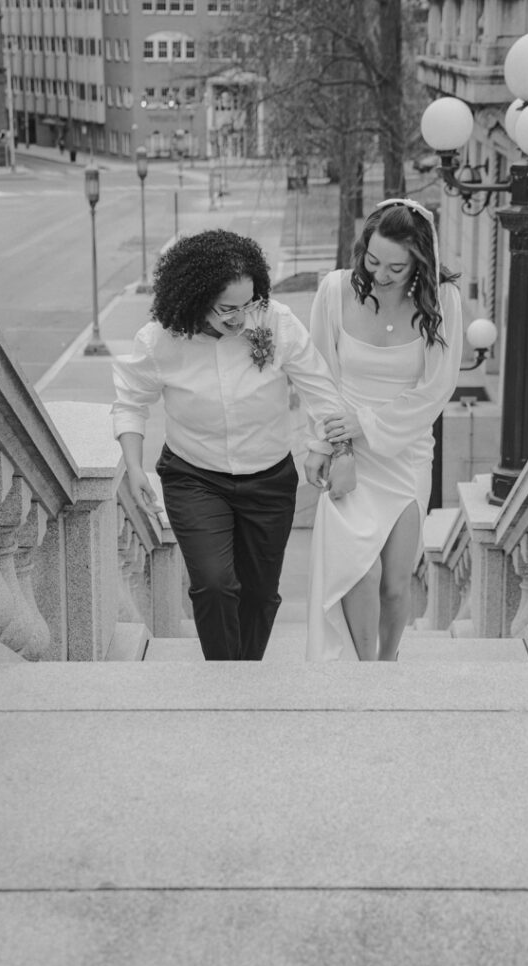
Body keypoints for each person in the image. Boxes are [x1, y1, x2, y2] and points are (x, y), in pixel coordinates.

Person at [111, 229, 354, 661]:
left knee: (260, 595)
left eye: (250, 303)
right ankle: (225, 679)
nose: (242, 317)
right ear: (196, 296)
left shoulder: (275, 321)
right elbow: (131, 404)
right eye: (228, 308)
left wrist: (323, 445)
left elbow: (321, 388)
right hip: (194, 478)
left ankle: (246, 671)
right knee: (214, 583)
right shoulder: (159, 340)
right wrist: (133, 468)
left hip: (270, 478)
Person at [304, 198, 463, 662]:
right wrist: (322, 442)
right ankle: (363, 670)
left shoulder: (443, 301)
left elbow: (436, 390)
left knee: (395, 583)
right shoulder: (334, 291)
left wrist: (370, 423)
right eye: (373, 260)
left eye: (396, 266)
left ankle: (388, 664)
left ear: (420, 261)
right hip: (347, 452)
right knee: (360, 572)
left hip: (406, 451)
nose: (381, 274)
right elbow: (319, 375)